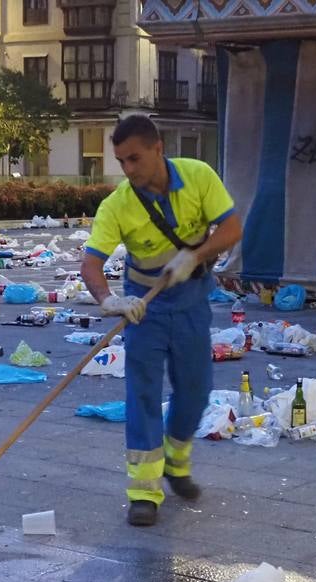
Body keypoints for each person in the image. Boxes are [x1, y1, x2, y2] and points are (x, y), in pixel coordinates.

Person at [80, 115, 243, 526]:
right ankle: (143, 492)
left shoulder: (198, 177)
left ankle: (176, 460)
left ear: (158, 148)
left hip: (191, 301)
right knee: (144, 395)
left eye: (134, 158)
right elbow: (91, 264)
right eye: (121, 161)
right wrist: (111, 300)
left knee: (196, 389)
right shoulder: (118, 204)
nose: (128, 169)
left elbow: (232, 226)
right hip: (144, 308)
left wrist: (196, 255)